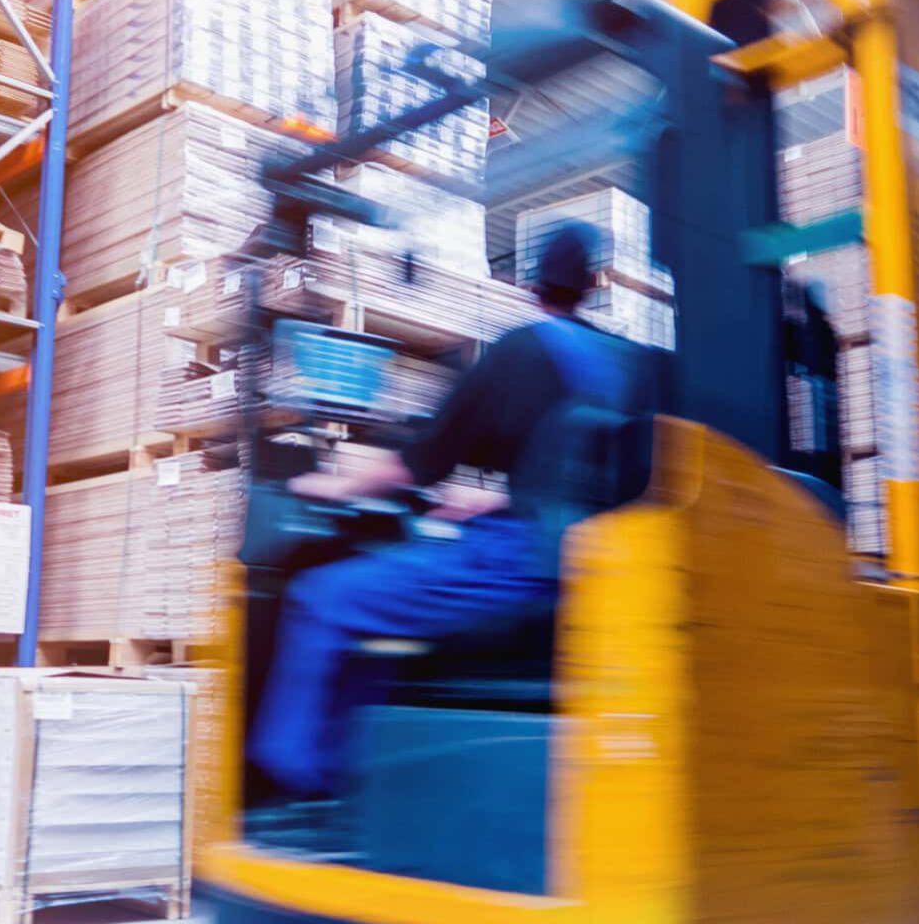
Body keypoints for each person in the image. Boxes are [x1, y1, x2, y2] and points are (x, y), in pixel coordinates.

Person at [250, 221, 650, 799]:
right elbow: (599, 481)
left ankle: (294, 789)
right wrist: (502, 499)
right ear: (594, 283)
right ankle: (360, 774)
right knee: (382, 607)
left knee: (323, 600)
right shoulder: (626, 366)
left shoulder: (518, 352)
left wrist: (330, 487)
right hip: (592, 564)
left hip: (519, 566)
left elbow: (418, 466)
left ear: (532, 284)